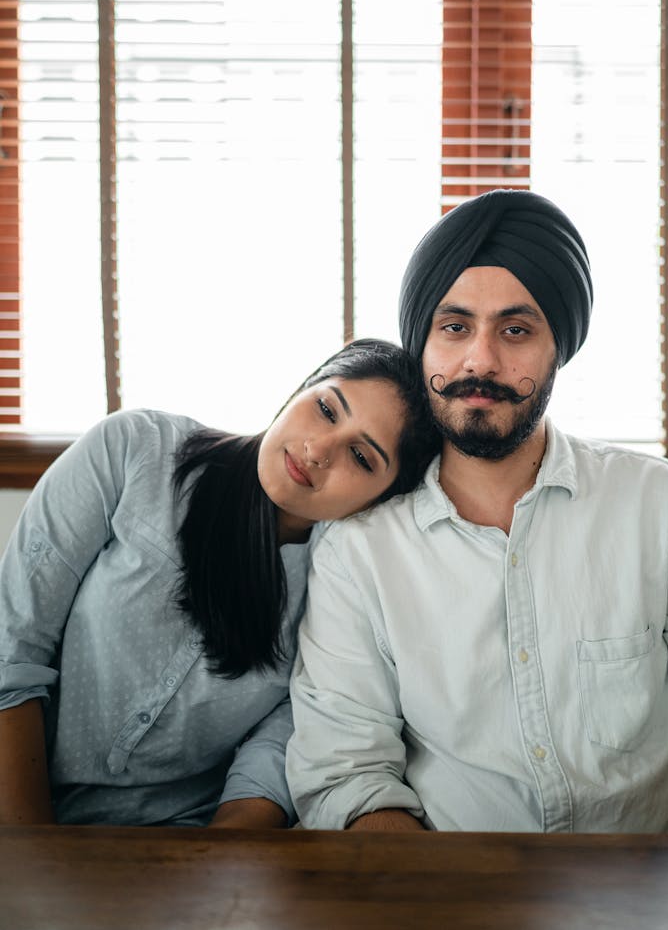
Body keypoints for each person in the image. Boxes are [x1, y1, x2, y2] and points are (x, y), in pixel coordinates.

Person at [287, 189, 668, 834]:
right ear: (422, 343)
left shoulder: (656, 501)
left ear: (559, 346)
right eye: (454, 327)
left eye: (516, 329)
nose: (481, 359)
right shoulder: (358, 551)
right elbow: (347, 776)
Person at [0, 338, 438, 828]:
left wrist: (226, 853)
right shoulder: (134, 450)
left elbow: (287, 732)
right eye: (325, 409)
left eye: (361, 457)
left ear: (382, 498)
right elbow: (12, 646)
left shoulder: (342, 587)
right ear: (304, 387)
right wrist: (27, 850)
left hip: (181, 841)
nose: (318, 450)